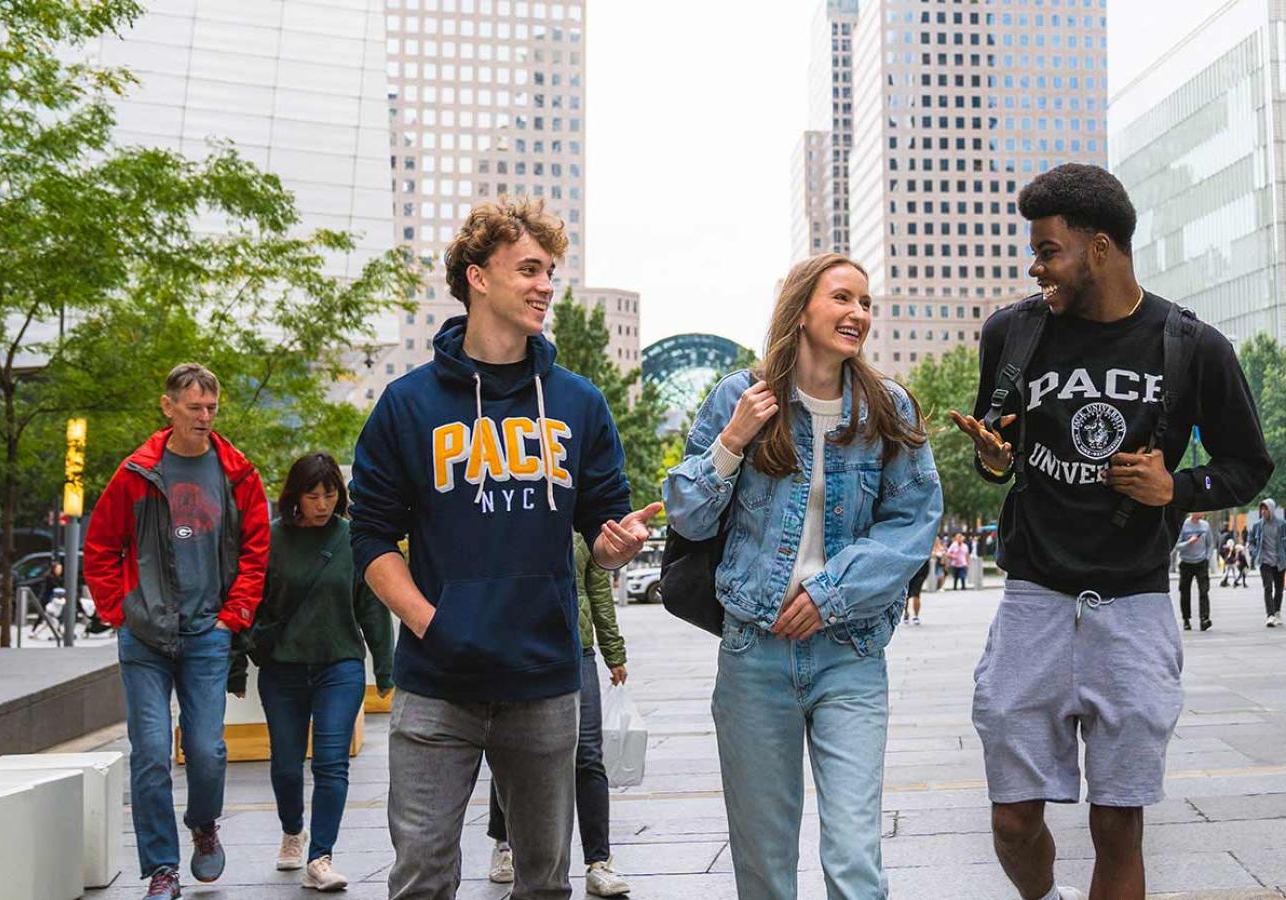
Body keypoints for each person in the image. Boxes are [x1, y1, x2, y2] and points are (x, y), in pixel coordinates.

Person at [948, 164, 1272, 900]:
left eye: (1047, 250)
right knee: (1011, 821)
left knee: (1118, 823)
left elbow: (1249, 464)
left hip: (1133, 605)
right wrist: (990, 458)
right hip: (1033, 598)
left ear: (1100, 248)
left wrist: (1177, 489)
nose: (1036, 268)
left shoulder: (1192, 345)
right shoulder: (1013, 333)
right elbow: (995, 445)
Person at [348, 197, 658, 900]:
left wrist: (618, 545)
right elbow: (368, 536)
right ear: (476, 277)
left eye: (550, 271)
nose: (546, 284)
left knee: (544, 882)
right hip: (435, 684)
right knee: (421, 875)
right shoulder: (408, 405)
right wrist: (432, 622)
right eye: (527, 269)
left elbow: (605, 535)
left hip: (544, 684)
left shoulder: (579, 404)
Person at [663, 252, 942, 900]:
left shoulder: (887, 406)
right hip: (753, 653)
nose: (859, 314)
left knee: (854, 861)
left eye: (866, 303)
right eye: (843, 298)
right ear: (803, 308)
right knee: (764, 868)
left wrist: (831, 592)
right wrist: (732, 442)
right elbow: (689, 515)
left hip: (849, 654)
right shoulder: (741, 396)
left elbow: (915, 520)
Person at [83, 363, 270, 900]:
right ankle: (162, 867)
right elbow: (100, 547)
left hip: (208, 633)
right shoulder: (137, 473)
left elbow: (257, 551)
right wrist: (120, 610)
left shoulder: (237, 474)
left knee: (209, 751)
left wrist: (234, 614)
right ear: (168, 407)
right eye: (194, 408)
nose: (205, 418)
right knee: (150, 752)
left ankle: (204, 824)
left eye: (211, 408)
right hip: (144, 635)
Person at [224, 452, 394, 892]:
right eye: (312, 494)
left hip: (340, 665)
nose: (322, 503)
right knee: (284, 763)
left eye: (330, 494)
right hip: (284, 669)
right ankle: (292, 830)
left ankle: (321, 855)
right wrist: (236, 667)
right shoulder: (272, 539)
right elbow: (248, 604)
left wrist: (388, 669)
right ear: (295, 496)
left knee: (332, 762)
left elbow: (371, 606)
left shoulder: (351, 538)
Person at [486, 531, 631, 897]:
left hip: (577, 649)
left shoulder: (586, 525)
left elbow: (598, 587)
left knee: (588, 757)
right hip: (519, 650)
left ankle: (599, 862)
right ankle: (505, 846)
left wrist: (613, 650)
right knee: (510, 749)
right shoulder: (518, 514)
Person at [1248, 499, 1286, 627]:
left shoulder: (1282, 525)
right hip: (1265, 561)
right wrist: (1254, 552)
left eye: (1266, 509)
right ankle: (1270, 615)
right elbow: (1250, 541)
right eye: (1262, 509)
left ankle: (1277, 611)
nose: (1263, 512)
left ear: (1272, 510)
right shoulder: (1258, 526)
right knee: (1268, 587)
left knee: (1279, 589)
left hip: (1279, 561)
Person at [1175, 512, 1215, 631]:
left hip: (1201, 562)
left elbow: (1210, 544)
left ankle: (1204, 619)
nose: (1202, 513)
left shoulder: (1205, 526)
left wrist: (1207, 558)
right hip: (1186, 562)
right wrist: (1189, 542)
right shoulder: (1184, 525)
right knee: (1185, 592)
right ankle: (1186, 619)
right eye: (1200, 510)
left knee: (1204, 591)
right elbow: (1177, 546)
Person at [904, 551, 931, 625]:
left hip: (913, 573)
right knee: (912, 595)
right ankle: (913, 615)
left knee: (909, 595)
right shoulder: (923, 549)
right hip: (915, 574)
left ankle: (910, 615)